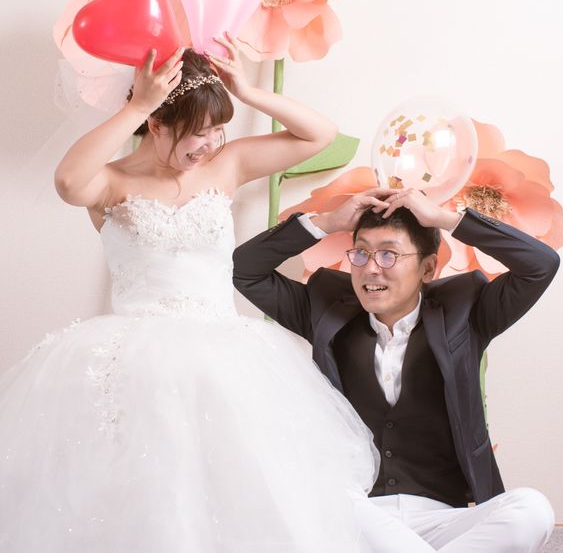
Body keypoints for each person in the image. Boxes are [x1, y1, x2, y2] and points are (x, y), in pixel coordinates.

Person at [0, 36, 383, 552]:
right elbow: (68, 182)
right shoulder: (109, 182)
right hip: (136, 364)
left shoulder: (227, 165)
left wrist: (249, 92)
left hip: (223, 359)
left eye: (217, 129)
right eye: (197, 132)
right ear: (156, 124)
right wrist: (136, 105)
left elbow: (320, 134)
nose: (209, 143)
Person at [232, 187, 559, 552]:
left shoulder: (467, 313)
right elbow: (244, 270)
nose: (371, 267)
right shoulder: (323, 308)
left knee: (532, 509)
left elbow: (540, 265)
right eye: (361, 252)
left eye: (389, 254)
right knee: (319, 494)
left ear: (428, 267)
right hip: (357, 514)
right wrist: (328, 222)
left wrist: (444, 218)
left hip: (442, 518)